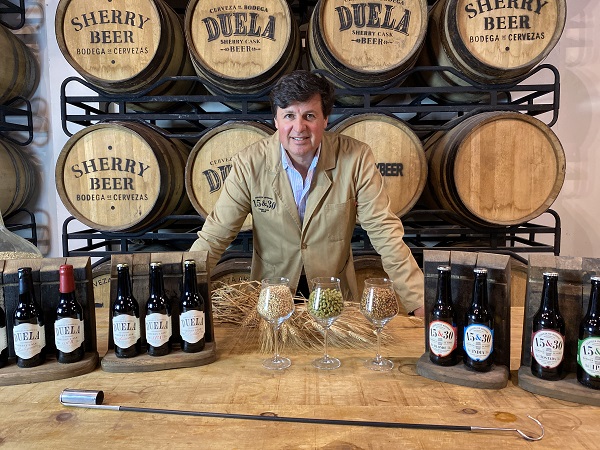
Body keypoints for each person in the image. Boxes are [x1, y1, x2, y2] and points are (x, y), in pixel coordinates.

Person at [190, 70, 424, 316]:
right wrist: (184, 284)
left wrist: (418, 301)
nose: (298, 127)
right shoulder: (249, 163)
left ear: (325, 119)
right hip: (272, 297)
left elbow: (385, 232)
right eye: (289, 115)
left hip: (333, 296)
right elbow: (215, 235)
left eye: (309, 115)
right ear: (276, 120)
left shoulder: (356, 158)